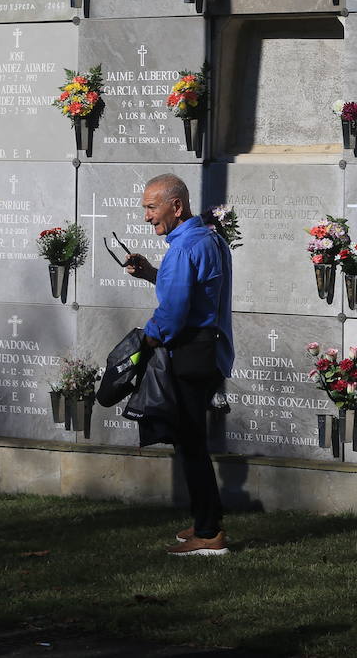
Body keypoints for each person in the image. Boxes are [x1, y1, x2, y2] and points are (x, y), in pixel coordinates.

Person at [125, 174, 235, 556]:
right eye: (145, 208)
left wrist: (141, 343)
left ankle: (209, 535)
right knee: (191, 443)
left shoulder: (184, 247)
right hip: (209, 351)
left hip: (190, 354)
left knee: (190, 444)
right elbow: (193, 291)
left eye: (152, 207)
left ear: (176, 206)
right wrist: (152, 274)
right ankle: (208, 519)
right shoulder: (209, 239)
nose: (146, 217)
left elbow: (172, 314)